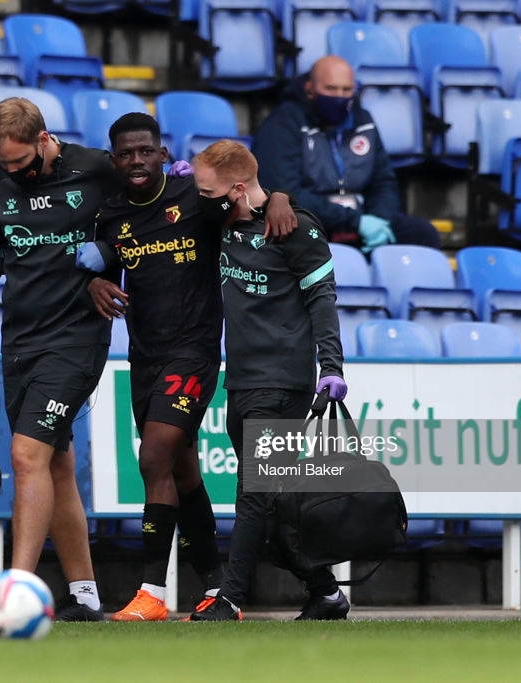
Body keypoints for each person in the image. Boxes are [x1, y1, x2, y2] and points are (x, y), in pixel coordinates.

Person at [78, 113, 298, 621]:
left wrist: (283, 198)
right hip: (144, 355)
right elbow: (107, 269)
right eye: (126, 154)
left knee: (154, 457)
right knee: (181, 468)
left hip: (194, 352)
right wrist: (94, 283)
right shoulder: (110, 215)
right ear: (114, 161)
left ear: (161, 153)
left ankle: (151, 592)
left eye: (145, 151)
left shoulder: (193, 199)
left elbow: (250, 196)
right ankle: (216, 588)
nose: (136, 161)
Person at [0, 97, 121, 622]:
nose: (12, 170)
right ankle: (84, 597)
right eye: (3, 162)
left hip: (77, 339)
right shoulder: (2, 178)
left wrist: (109, 255)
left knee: (25, 455)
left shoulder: (98, 170)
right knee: (55, 463)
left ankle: (17, 591)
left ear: (44, 140)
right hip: (20, 340)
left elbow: (149, 220)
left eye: (19, 161)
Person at [188, 140, 350, 622]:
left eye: (207, 191)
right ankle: (324, 592)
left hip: (281, 381)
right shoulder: (222, 218)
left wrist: (331, 367)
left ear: (236, 189)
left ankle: (230, 598)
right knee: (275, 497)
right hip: (239, 380)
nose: (200, 199)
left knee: (254, 492)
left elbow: (322, 298)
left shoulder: (293, 229)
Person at [251, 54, 440, 254]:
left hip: (361, 219)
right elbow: (284, 192)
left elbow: (383, 181)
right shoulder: (283, 124)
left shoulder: (363, 120)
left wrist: (380, 220)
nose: (339, 97)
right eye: (331, 89)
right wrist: (354, 221)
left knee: (421, 234)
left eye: (346, 90)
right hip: (312, 221)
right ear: (310, 88)